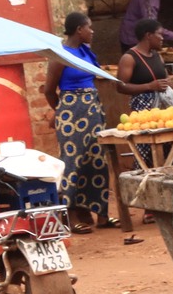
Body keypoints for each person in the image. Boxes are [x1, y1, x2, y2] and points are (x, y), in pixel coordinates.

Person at [43, 13, 117, 233]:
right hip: (71, 113)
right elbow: (49, 91)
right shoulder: (60, 56)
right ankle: (71, 214)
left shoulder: (86, 52)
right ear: (78, 30)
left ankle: (102, 214)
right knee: (72, 163)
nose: (92, 31)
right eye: (89, 27)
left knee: (97, 161)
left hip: (93, 111)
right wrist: (62, 112)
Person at [115, 19, 173, 114]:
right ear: (148, 35)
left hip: (164, 111)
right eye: (159, 34)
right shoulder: (129, 58)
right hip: (144, 112)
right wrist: (149, 86)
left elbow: (165, 77)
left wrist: (166, 82)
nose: (162, 38)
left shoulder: (158, 56)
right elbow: (120, 86)